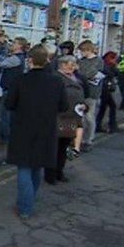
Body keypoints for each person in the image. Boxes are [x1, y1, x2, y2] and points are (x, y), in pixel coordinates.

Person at [5, 44, 68, 220]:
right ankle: (28, 203)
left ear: (30, 60)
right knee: (36, 167)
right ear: (47, 60)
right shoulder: (57, 81)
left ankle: (25, 207)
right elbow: (64, 106)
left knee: (24, 167)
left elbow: (9, 104)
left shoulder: (20, 79)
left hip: (23, 128)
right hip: (46, 129)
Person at [46, 55, 85, 185]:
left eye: (74, 65)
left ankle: (59, 172)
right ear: (62, 65)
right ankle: (50, 174)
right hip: (58, 116)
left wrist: (85, 106)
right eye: (70, 64)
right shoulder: (55, 78)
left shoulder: (76, 77)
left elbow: (85, 94)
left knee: (63, 147)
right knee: (54, 147)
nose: (72, 67)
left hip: (72, 117)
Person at [0, 37, 28, 145]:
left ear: (20, 46)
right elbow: (4, 60)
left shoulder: (16, 58)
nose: (11, 44)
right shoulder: (19, 58)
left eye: (14, 42)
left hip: (10, 90)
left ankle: (4, 138)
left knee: (5, 115)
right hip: (14, 89)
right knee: (10, 115)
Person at [77, 40, 104, 149]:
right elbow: (78, 74)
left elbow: (92, 74)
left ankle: (88, 140)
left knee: (89, 117)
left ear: (88, 50)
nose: (80, 53)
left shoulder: (98, 61)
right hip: (81, 91)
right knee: (81, 117)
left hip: (92, 92)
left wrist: (83, 75)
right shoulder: (80, 61)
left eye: (82, 51)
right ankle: (81, 139)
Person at [97, 52, 124, 133]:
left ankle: (98, 125)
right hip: (105, 87)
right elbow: (113, 73)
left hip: (104, 87)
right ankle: (112, 125)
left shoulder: (105, 63)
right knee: (112, 106)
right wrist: (116, 67)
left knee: (103, 107)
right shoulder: (107, 64)